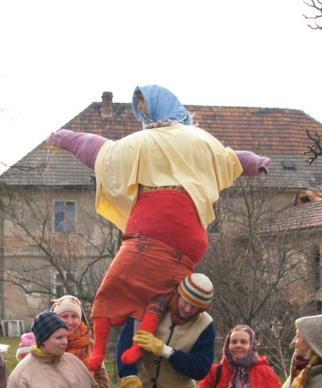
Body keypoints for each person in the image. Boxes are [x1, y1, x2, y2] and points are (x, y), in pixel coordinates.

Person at [46, 84, 269, 371]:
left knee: (111, 289)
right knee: (160, 295)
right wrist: (259, 163)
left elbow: (96, 149)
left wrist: (62, 137)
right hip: (191, 238)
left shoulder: (140, 143)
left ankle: (98, 354)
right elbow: (234, 159)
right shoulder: (201, 140)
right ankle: (140, 346)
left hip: (154, 227)